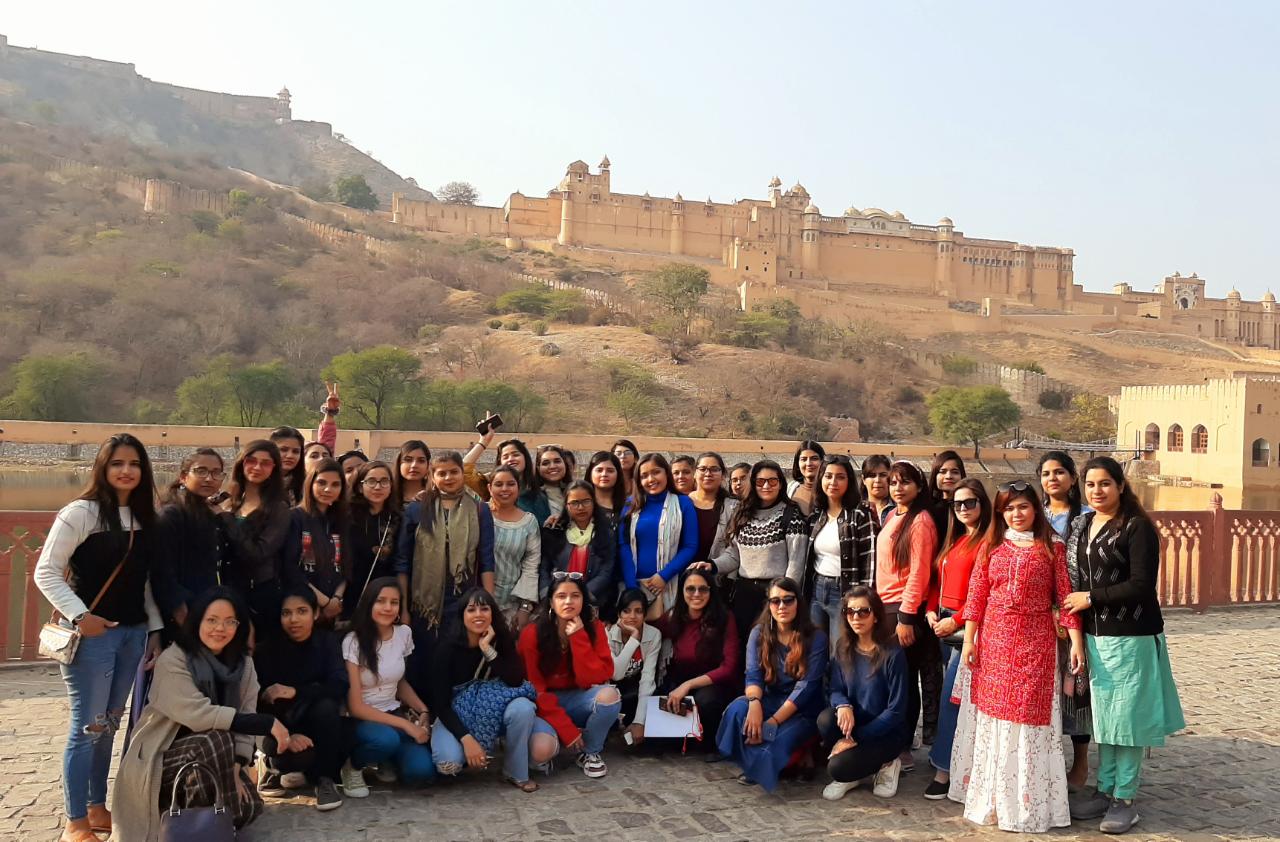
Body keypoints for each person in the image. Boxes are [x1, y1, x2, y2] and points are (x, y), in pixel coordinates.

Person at [35, 434, 164, 842]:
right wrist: (81, 616)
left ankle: (96, 806)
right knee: (87, 727)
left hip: (132, 634)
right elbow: (46, 571)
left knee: (108, 724)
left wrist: (154, 630)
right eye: (117, 463)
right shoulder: (82, 513)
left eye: (134, 464)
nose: (126, 471)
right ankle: (75, 821)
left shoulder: (145, 517)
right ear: (103, 468)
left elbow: (146, 583)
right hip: (93, 636)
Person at [1063, 457, 1185, 835]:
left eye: (1105, 483)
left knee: (1128, 720)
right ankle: (1105, 788)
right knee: (1106, 717)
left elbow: (1141, 585)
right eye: (1090, 484)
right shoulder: (1084, 525)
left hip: (1131, 635)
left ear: (1120, 485)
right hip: (1096, 637)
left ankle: (1125, 798)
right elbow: (1074, 578)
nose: (1097, 491)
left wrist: (1091, 598)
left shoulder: (1135, 526)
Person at [953, 481, 1083, 833]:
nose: (1016, 514)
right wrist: (970, 641)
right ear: (1000, 513)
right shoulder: (992, 546)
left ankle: (1026, 807)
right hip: (994, 645)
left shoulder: (1052, 547)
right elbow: (976, 596)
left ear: (1036, 509)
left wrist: (1075, 643)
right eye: (1009, 508)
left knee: (1029, 719)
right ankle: (995, 801)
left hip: (1035, 646)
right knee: (995, 721)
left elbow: (1066, 600)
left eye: (1023, 506)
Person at [112, 588, 282, 841]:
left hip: (217, 758)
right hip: (161, 756)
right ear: (197, 621)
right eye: (211, 620)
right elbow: (199, 715)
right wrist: (266, 723)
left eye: (230, 621)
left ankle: (200, 824)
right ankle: (201, 829)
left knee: (249, 807)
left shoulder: (244, 665)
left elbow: (246, 713)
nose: (220, 628)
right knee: (214, 738)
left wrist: (236, 768)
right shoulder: (174, 659)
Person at [428, 588, 557, 792]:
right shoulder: (446, 649)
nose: (478, 615)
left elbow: (515, 680)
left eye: (484, 609)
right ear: (462, 615)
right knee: (448, 764)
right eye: (471, 610)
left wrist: (487, 649)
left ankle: (515, 771)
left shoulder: (501, 639)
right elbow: (441, 705)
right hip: (458, 714)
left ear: (492, 613)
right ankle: (470, 745)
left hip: (496, 711)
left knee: (524, 710)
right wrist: (467, 740)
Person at [395, 452, 496, 695]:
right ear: (432, 476)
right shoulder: (417, 509)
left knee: (458, 662)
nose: (448, 477)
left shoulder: (479, 510)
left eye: (453, 472)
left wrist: (488, 606)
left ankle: (454, 712)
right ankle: (424, 711)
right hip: (424, 604)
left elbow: (486, 560)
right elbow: (402, 562)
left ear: (462, 473)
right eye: (442, 473)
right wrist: (405, 608)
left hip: (464, 599)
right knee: (424, 661)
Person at [716, 577, 828, 792]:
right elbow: (753, 675)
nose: (782, 606)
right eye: (775, 601)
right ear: (768, 605)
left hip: (801, 710)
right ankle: (768, 759)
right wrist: (755, 704)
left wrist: (773, 721)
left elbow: (806, 688)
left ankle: (794, 752)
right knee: (737, 710)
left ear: (798, 602)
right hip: (769, 700)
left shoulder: (816, 638)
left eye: (788, 600)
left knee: (771, 743)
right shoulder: (758, 633)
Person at [253, 586, 349, 811]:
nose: (294, 619)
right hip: (277, 725)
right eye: (286, 613)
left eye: (302, 611)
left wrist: (296, 691)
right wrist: (287, 734)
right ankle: (271, 766)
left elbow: (339, 685)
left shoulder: (327, 643)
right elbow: (259, 703)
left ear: (316, 613)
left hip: (315, 722)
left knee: (329, 710)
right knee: (289, 759)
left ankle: (324, 780)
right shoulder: (267, 650)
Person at [923, 478, 990, 799]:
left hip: (967, 629)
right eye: (957, 503)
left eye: (970, 502)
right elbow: (938, 580)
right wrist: (929, 610)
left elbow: (984, 593)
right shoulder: (957, 539)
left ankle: (943, 770)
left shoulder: (988, 543)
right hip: (943, 625)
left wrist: (957, 620)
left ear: (983, 504)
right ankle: (954, 760)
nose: (963, 508)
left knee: (953, 698)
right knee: (951, 697)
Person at [517, 575, 622, 778]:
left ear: (583, 600)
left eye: (575, 596)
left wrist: (578, 637)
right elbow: (535, 690)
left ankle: (590, 752)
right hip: (541, 704)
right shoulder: (532, 634)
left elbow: (596, 677)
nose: (568, 601)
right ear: (551, 602)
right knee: (540, 752)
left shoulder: (594, 628)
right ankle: (557, 740)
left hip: (578, 698)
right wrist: (567, 730)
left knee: (610, 696)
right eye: (561, 596)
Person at [340, 578, 435, 796]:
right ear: (369, 604)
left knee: (421, 772)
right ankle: (352, 766)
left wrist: (423, 710)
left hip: (393, 713)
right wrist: (406, 725)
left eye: (394, 602)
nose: (388, 607)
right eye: (380, 601)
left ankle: (387, 759)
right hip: (363, 720)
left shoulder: (403, 634)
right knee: (386, 740)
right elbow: (355, 707)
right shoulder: (353, 641)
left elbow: (398, 682)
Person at [704, 460, 808, 653]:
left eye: (772, 481)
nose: (766, 486)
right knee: (744, 647)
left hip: (775, 593)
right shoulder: (743, 514)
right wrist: (713, 565)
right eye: (760, 481)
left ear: (781, 483)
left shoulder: (791, 515)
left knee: (770, 648)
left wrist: (784, 598)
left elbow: (796, 564)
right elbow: (734, 555)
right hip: (744, 593)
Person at [874, 460, 939, 765]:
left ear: (919, 486)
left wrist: (906, 616)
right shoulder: (893, 515)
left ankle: (903, 747)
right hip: (885, 607)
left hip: (903, 608)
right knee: (892, 678)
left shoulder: (920, 520)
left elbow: (919, 572)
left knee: (906, 680)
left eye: (905, 482)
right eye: (894, 482)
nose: (898, 488)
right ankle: (892, 740)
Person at [819, 586, 909, 801]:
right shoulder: (843, 647)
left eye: (863, 611)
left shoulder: (892, 653)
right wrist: (843, 705)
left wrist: (855, 738)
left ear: (876, 616)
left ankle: (889, 764)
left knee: (837, 768)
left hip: (886, 732)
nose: (856, 617)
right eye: (850, 612)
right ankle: (856, 772)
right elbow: (835, 688)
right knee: (826, 720)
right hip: (856, 723)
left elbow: (895, 711)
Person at [1038, 450, 1093, 790]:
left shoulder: (1087, 517)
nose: (1052, 479)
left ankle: (1081, 763)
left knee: (1076, 690)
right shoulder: (1034, 516)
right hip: (1040, 616)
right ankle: (1047, 760)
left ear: (1073, 479)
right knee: (1048, 691)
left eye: (1059, 472)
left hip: (1077, 611)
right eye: (1046, 474)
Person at [653, 567, 740, 751]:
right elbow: (650, 628)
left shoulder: (724, 618)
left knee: (705, 701)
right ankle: (686, 738)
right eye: (690, 589)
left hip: (712, 685)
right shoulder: (674, 617)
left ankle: (710, 743)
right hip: (679, 683)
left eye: (703, 589)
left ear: (711, 591)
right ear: (682, 591)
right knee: (653, 711)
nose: (696, 594)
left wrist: (688, 685)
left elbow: (729, 667)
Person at [219, 440, 294, 638]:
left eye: (265, 463)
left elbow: (258, 553)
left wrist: (227, 520)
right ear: (241, 463)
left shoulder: (278, 509)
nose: (257, 467)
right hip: (226, 590)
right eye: (251, 461)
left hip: (259, 594)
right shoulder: (227, 502)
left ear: (274, 468)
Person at [152, 448, 228, 635]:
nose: (209, 478)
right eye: (201, 471)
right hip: (183, 618)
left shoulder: (210, 513)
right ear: (183, 477)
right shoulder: (172, 515)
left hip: (209, 610)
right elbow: (162, 572)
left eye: (216, 473)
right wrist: (182, 615)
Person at [806, 455, 874, 646]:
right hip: (817, 588)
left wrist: (862, 600)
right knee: (815, 649)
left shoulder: (860, 515)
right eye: (828, 476)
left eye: (840, 477)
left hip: (844, 591)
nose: (833, 482)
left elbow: (869, 561)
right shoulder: (816, 515)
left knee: (841, 649)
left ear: (849, 481)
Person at [619, 453, 699, 619]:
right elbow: (623, 544)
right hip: (635, 584)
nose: (651, 479)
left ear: (666, 473)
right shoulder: (630, 504)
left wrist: (664, 576)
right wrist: (632, 585)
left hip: (669, 584)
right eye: (644, 475)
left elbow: (690, 546)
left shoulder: (683, 503)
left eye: (656, 472)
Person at [284, 458, 351, 627]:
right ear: (310, 483)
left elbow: (346, 565)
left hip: (334, 608)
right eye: (321, 482)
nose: (328, 489)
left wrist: (336, 599)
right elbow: (290, 567)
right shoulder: (295, 518)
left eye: (335, 484)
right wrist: (324, 602)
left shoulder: (341, 521)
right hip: (303, 608)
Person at [544, 481, 616, 611]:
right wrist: (550, 594)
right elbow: (544, 568)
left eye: (586, 501)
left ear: (594, 502)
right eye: (574, 503)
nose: (581, 507)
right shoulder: (555, 532)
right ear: (566, 506)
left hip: (593, 602)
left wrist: (581, 595)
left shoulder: (606, 533)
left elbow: (606, 571)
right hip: (559, 602)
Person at [345, 461, 401, 620]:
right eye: (371, 481)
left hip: (384, 594)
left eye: (384, 481)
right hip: (349, 591)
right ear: (360, 486)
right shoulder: (346, 516)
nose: (378, 487)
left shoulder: (397, 518)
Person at [487, 465, 541, 629]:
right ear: (489, 488)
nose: (505, 489)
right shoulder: (479, 513)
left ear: (519, 487)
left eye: (510, 484)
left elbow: (531, 564)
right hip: (479, 603)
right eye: (498, 484)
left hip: (512, 605)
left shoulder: (529, 522)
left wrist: (525, 607)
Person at [607, 588, 661, 747]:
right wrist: (634, 638)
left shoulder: (653, 634)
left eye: (638, 611)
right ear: (619, 614)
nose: (632, 616)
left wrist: (639, 722)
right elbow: (616, 673)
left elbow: (647, 679)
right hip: (611, 690)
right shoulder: (608, 633)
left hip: (635, 690)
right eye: (626, 611)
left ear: (645, 615)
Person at [686, 452, 737, 564]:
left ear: (723, 475)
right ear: (694, 473)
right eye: (703, 469)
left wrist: (713, 566)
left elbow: (734, 550)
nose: (708, 473)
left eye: (714, 469)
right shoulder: (681, 503)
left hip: (717, 571)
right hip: (679, 572)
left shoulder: (733, 508)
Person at [585, 450, 628, 528]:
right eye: (599, 470)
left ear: (618, 474)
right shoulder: (582, 504)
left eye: (610, 471)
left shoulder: (629, 505)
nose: (604, 474)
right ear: (590, 473)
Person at [534, 444, 571, 528]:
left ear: (565, 464)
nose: (552, 466)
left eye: (557, 461)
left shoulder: (577, 492)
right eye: (545, 463)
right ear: (538, 468)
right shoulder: (530, 497)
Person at [787, 440, 827, 517]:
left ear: (823, 461)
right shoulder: (791, 489)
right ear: (797, 463)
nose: (808, 463)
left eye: (814, 458)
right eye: (804, 459)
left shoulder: (830, 489)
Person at [270, 426, 307, 505]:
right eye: (283, 450)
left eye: (295, 451)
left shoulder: (306, 484)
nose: (290, 456)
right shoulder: (258, 482)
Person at [395, 440, 432, 506]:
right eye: (408, 460)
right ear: (399, 463)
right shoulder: (386, 495)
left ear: (428, 465)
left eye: (421, 461)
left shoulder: (436, 497)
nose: (414, 465)